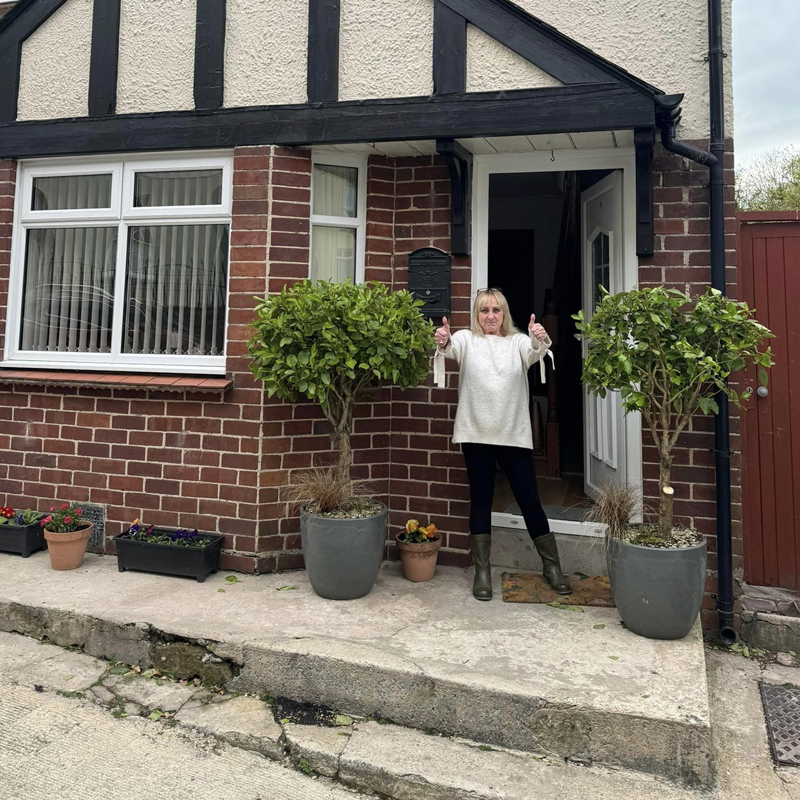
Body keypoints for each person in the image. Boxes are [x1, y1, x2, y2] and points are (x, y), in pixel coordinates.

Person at [435, 289, 572, 601]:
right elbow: (448, 346)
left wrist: (539, 336)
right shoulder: (466, 340)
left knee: (529, 501)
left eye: (497, 310)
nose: (491, 316)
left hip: (512, 435)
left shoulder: (518, 342)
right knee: (480, 501)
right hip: (476, 435)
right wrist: (442, 339)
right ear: (476, 315)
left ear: (505, 314)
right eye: (484, 311)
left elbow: (537, 350)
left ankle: (552, 567)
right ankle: (483, 572)